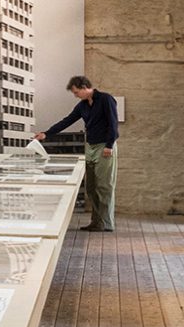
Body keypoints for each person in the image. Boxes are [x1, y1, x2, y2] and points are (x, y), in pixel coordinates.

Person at [34, 74, 120, 232]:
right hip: (90, 146)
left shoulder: (106, 99)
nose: (75, 95)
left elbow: (113, 123)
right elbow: (67, 120)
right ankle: (96, 222)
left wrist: (109, 145)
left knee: (104, 186)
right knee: (91, 187)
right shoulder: (83, 106)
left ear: (84, 87)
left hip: (105, 147)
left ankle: (106, 223)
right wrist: (46, 134)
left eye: (76, 92)